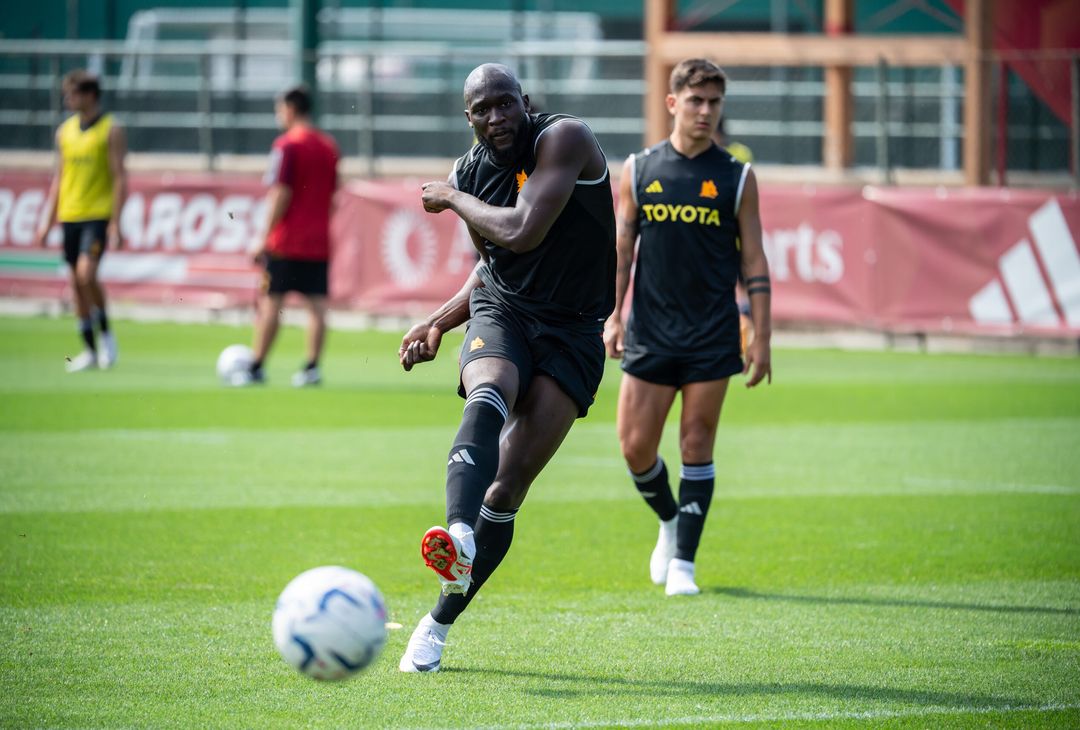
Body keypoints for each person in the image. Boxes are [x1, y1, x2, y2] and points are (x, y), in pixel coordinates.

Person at [396, 63, 615, 672]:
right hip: (507, 310)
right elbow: (497, 266)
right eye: (482, 109)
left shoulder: (565, 139)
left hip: (574, 329)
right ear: (467, 118)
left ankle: (438, 623)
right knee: (488, 388)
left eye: (505, 104)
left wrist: (450, 198)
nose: (497, 118)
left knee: (509, 486)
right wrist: (439, 321)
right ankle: (458, 533)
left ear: (525, 102)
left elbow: (521, 229)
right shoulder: (471, 172)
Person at [603, 58, 772, 596]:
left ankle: (685, 565)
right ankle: (670, 521)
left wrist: (762, 337)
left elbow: (755, 262)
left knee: (697, 442)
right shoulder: (639, 168)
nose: (706, 111)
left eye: (715, 102)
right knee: (634, 447)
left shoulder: (736, 176)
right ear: (673, 103)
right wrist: (612, 315)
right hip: (650, 330)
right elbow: (622, 249)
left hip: (713, 332)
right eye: (696, 101)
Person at [239, 84, 339, 387]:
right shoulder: (329, 146)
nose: (278, 116)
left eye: (279, 110)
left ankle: (255, 366)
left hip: (285, 241)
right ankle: (311, 368)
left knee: (271, 303)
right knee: (317, 307)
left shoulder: (286, 145)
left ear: (291, 109)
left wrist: (263, 236)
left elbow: (280, 192)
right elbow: (334, 196)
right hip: (318, 241)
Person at [35, 69, 127, 372]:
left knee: (87, 275)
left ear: (90, 95)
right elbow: (59, 179)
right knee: (75, 282)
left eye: (72, 93)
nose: (67, 99)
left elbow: (119, 177)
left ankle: (107, 336)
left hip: (96, 215)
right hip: (70, 215)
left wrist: (115, 221)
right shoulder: (65, 132)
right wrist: (47, 222)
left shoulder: (110, 130)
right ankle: (89, 349)